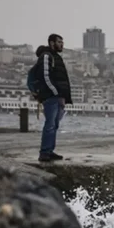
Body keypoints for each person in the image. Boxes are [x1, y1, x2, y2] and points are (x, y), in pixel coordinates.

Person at [35, 34, 72, 162]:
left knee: (54, 125)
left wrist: (63, 96)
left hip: (58, 97)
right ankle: (44, 152)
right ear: (52, 43)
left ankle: (49, 150)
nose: (62, 44)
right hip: (51, 97)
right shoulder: (47, 56)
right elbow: (45, 76)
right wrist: (56, 93)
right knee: (50, 124)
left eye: (62, 42)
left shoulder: (57, 57)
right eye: (59, 42)